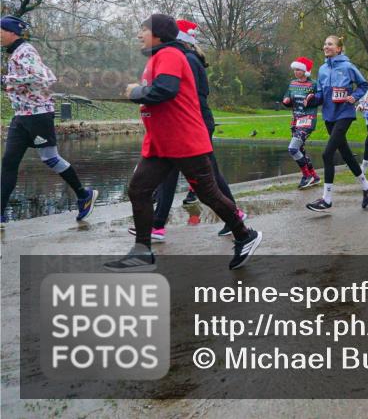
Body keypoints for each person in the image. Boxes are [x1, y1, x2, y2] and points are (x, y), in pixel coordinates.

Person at [107, 14, 261, 271]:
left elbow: (165, 90)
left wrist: (135, 92)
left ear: (158, 34)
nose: (138, 34)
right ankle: (142, 252)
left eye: (143, 30)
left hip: (183, 139)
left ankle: (245, 235)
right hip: (162, 142)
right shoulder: (159, 57)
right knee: (139, 190)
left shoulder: (170, 55)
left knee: (208, 193)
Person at [140, 20, 245, 242]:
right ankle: (157, 225)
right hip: (192, 122)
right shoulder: (187, 57)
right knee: (176, 175)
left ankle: (237, 220)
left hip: (194, 123)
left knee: (209, 177)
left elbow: (185, 95)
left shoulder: (185, 58)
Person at [1, 15, 98, 223]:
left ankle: (84, 195)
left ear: (11, 32)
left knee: (50, 159)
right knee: (8, 163)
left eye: (0, 31)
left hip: (38, 115)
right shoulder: (15, 53)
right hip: (21, 117)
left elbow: (42, 78)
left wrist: (5, 80)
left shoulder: (25, 51)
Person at [306, 35, 368, 213]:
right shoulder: (322, 69)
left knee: (327, 153)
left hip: (345, 113)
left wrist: (353, 97)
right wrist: (312, 99)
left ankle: (327, 199)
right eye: (324, 44)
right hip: (329, 115)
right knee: (345, 153)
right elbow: (321, 95)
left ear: (339, 48)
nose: (326, 46)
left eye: (329, 44)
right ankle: (367, 186)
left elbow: (362, 85)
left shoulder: (348, 66)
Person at [282, 56, 321, 189]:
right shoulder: (292, 83)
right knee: (300, 149)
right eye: (295, 70)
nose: (296, 72)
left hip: (308, 120)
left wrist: (312, 98)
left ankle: (306, 176)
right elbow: (287, 97)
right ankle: (314, 176)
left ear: (305, 71)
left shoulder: (314, 84)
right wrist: (286, 100)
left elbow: (320, 99)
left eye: (299, 70)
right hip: (295, 120)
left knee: (293, 148)